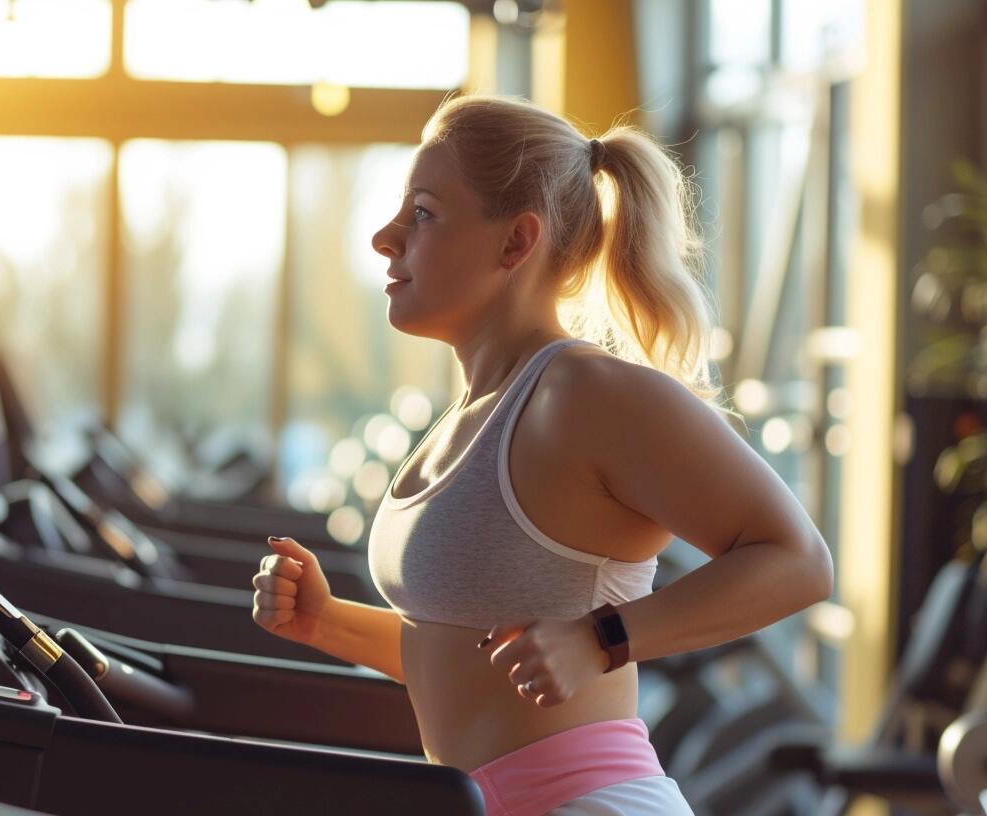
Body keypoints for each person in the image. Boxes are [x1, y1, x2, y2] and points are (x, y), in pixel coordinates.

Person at [251, 95, 834, 815]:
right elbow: (470, 656)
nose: (384, 237)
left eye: (424, 213)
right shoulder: (471, 414)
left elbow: (799, 561)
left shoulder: (585, 394)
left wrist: (605, 637)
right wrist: (326, 622)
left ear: (515, 243)